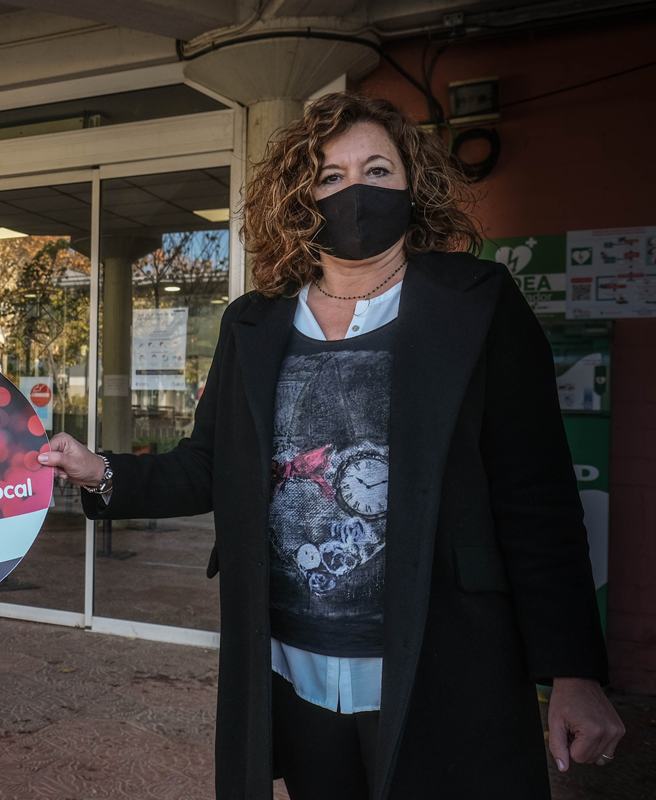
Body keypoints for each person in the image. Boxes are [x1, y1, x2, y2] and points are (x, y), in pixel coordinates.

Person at [40, 92, 624, 800]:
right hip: (295, 669)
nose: (356, 192)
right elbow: (208, 466)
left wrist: (572, 669)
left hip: (445, 663)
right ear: (299, 197)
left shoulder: (477, 305)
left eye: (378, 170)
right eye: (331, 176)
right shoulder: (253, 326)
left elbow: (536, 494)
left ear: (414, 186)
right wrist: (97, 469)